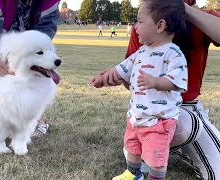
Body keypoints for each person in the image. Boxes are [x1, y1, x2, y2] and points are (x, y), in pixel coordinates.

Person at [93, 0, 220, 179]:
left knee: (188, 127)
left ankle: (157, 151)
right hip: (148, 109)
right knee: (149, 135)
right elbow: (130, 76)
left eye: (140, 21)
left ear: (161, 25)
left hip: (185, 109)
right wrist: (114, 77)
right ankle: (145, 152)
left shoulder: (198, 21)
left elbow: (178, 81)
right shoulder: (147, 24)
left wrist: (180, 9)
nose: (136, 26)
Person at [0, 0, 60, 137]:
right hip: (3, 37)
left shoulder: (49, 2)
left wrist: (38, 50)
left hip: (33, 37)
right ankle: (1, 119)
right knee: (1, 75)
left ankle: (37, 118)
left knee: (36, 75)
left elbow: (46, 28)